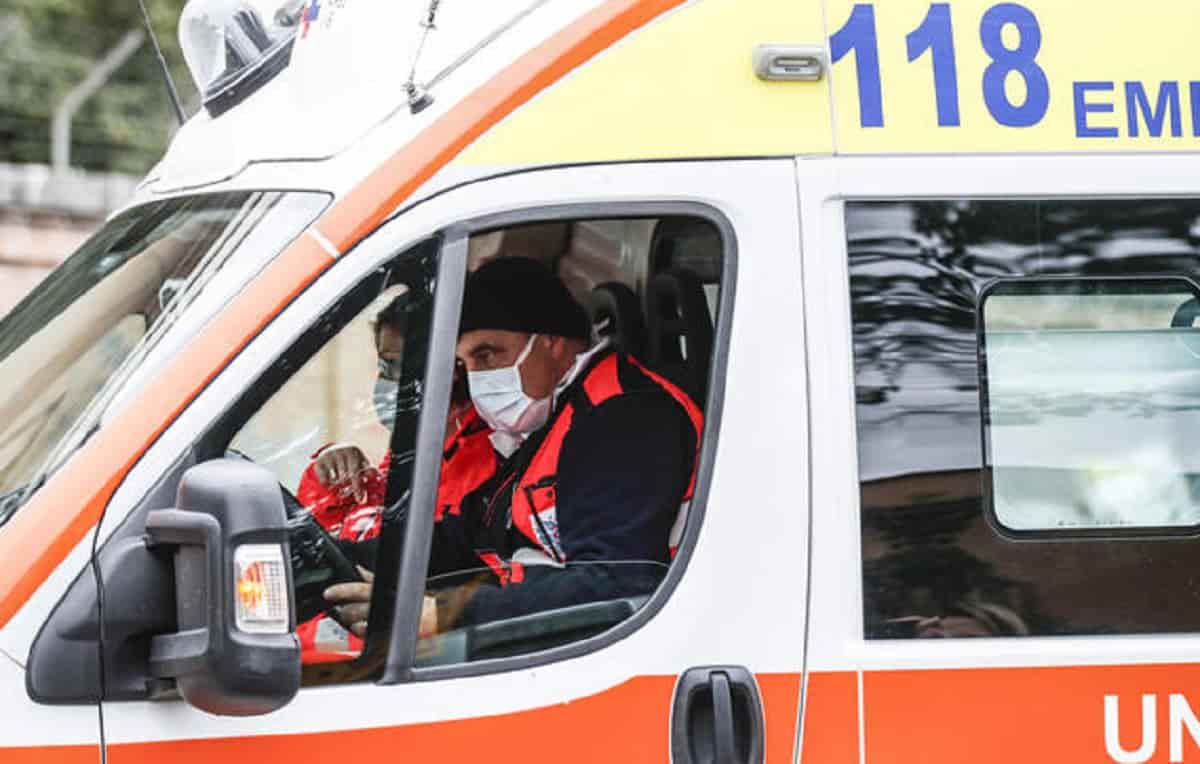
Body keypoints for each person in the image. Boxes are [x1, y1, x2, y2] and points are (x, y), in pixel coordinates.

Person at [326, 257, 703, 638]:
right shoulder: (550, 417)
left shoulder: (624, 419)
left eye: (487, 355)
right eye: (465, 362)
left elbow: (614, 586)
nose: (476, 377)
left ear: (552, 342)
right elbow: (466, 536)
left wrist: (447, 614)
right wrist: (339, 558)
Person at [296, 293, 499, 659]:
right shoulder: (422, 442)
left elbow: (406, 553)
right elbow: (365, 526)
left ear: (444, 369)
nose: (384, 381)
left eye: (393, 366)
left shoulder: (479, 459)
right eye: (382, 366)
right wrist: (331, 477)